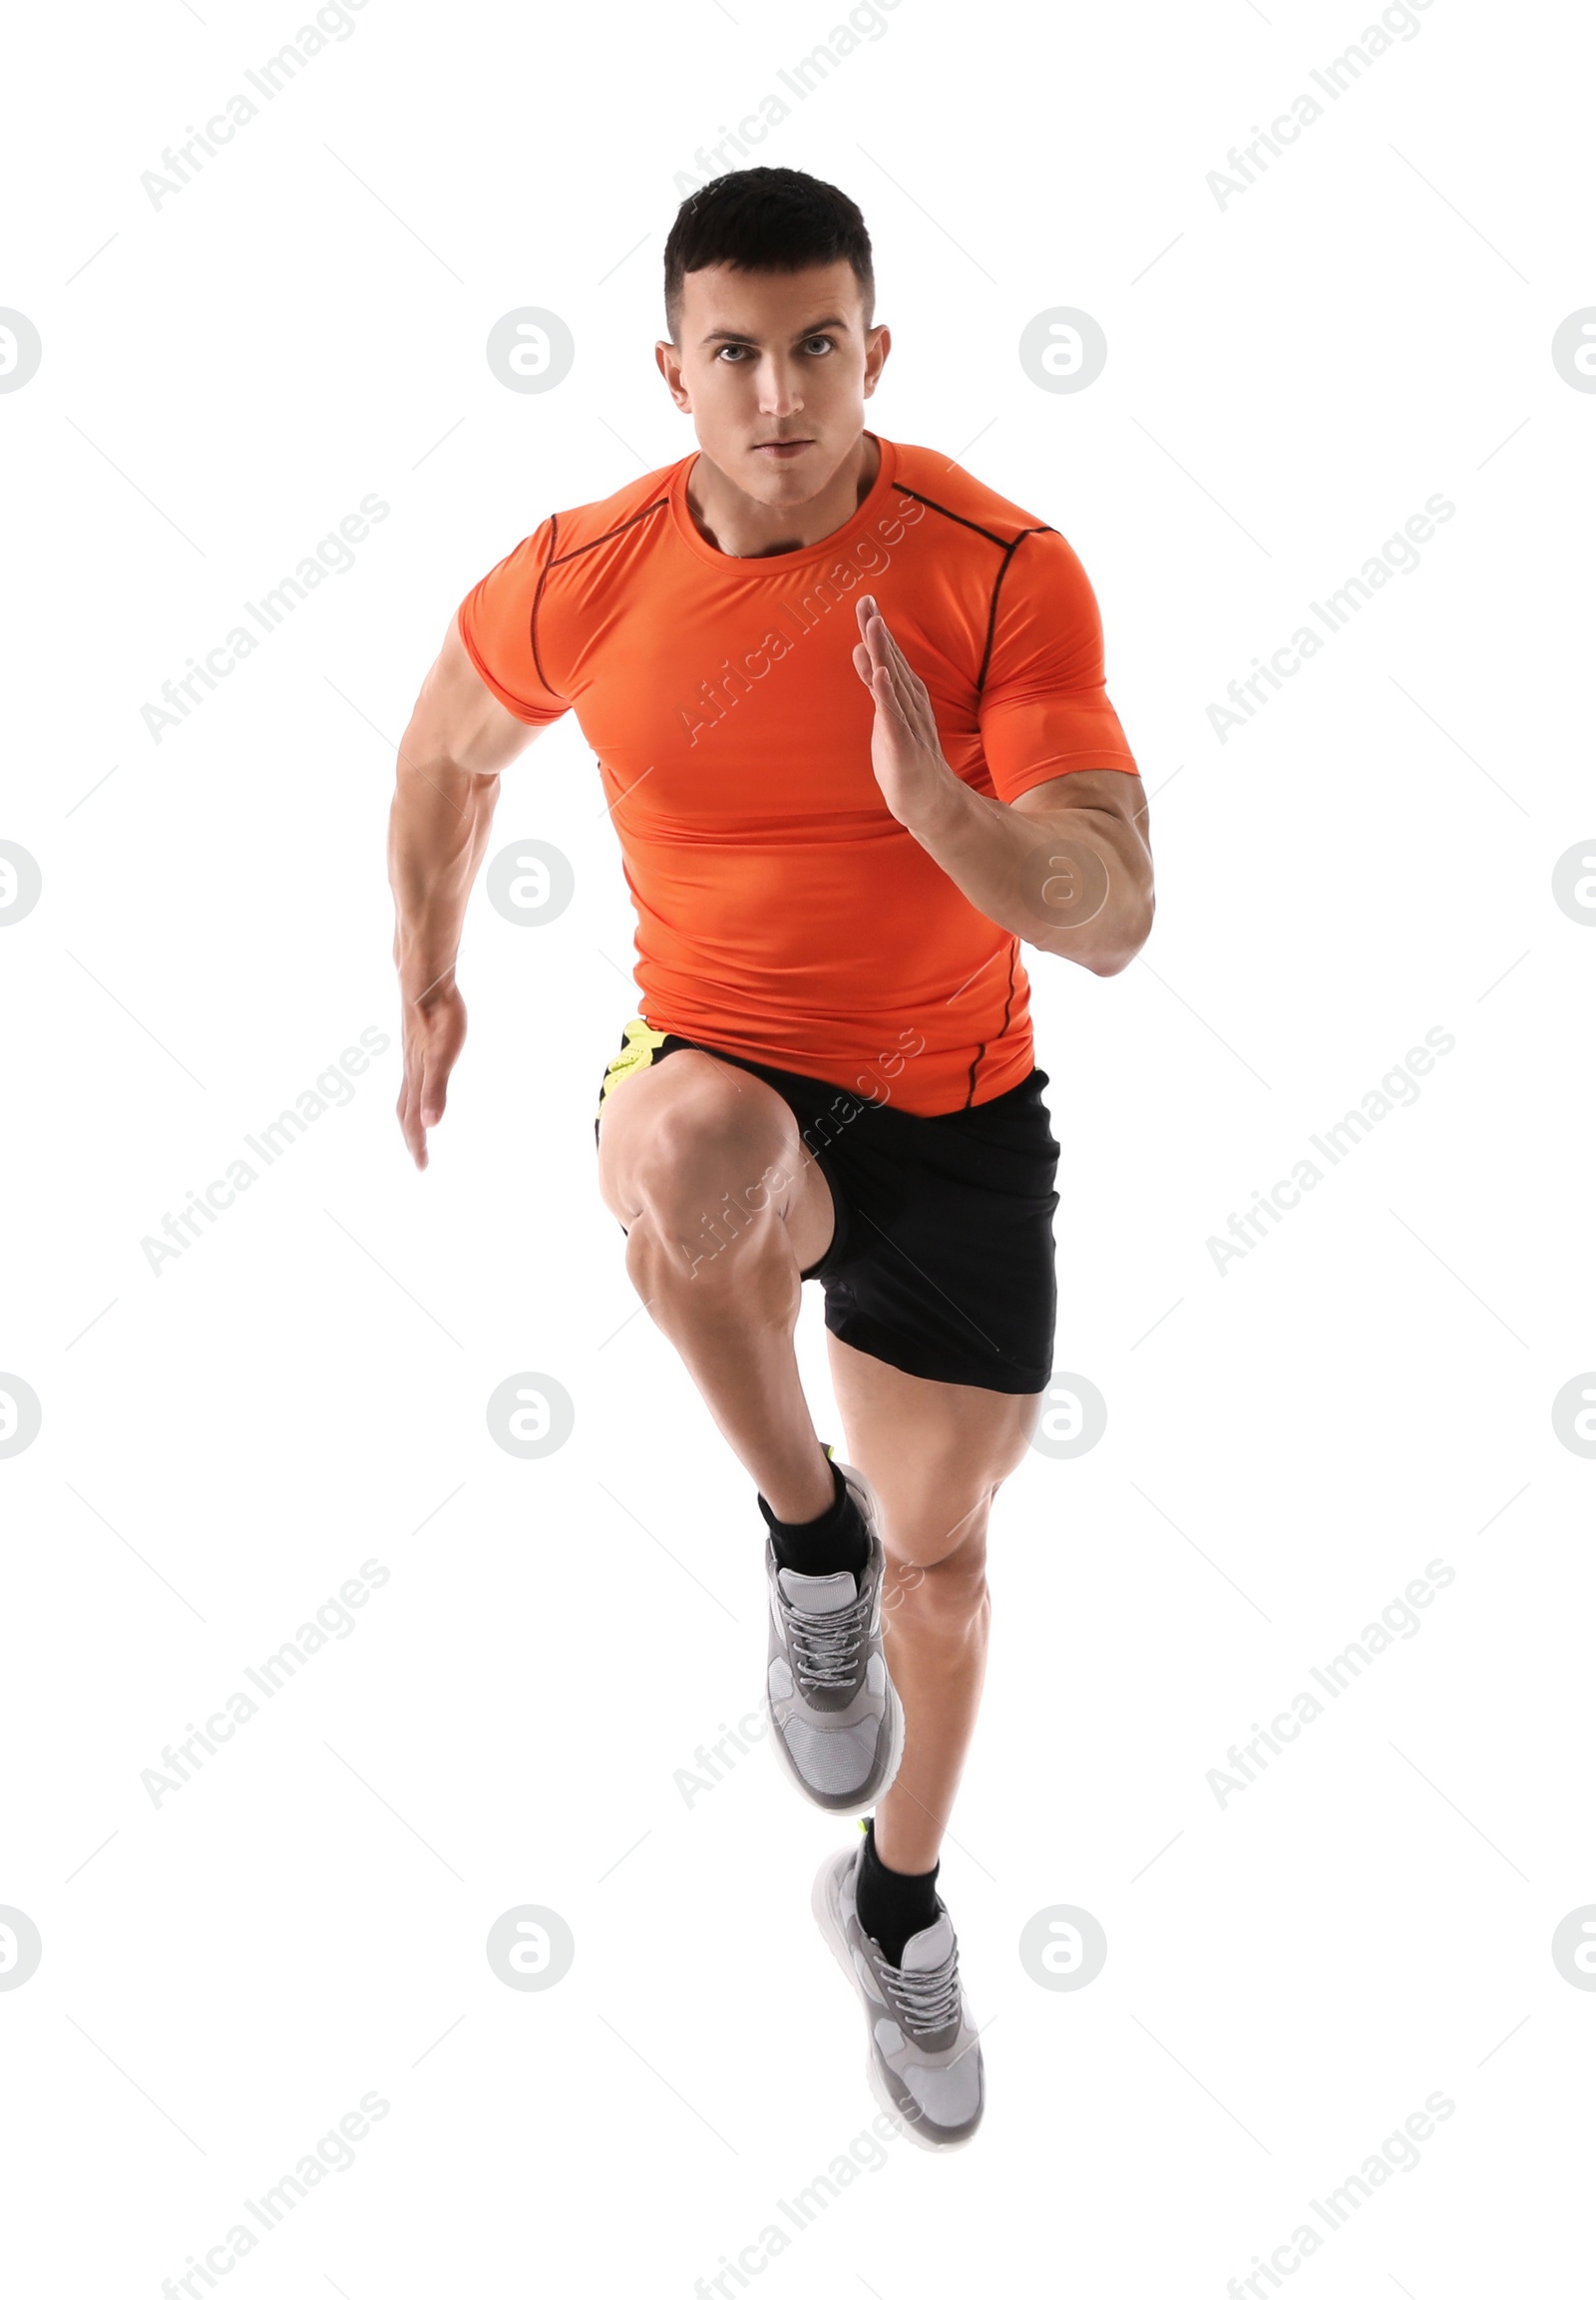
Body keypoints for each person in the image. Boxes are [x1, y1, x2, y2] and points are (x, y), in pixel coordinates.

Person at [388, 165, 1152, 2149]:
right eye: (733, 349)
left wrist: (940, 811)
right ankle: (791, 1532)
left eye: (818, 342)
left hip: (959, 1116)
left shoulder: (995, 566)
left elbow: (1109, 906)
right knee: (690, 1142)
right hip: (727, 1064)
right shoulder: (591, 570)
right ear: (671, 370)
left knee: (952, 1567)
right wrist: (426, 977)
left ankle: (890, 1899)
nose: (780, 386)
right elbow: (446, 752)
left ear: (872, 349)